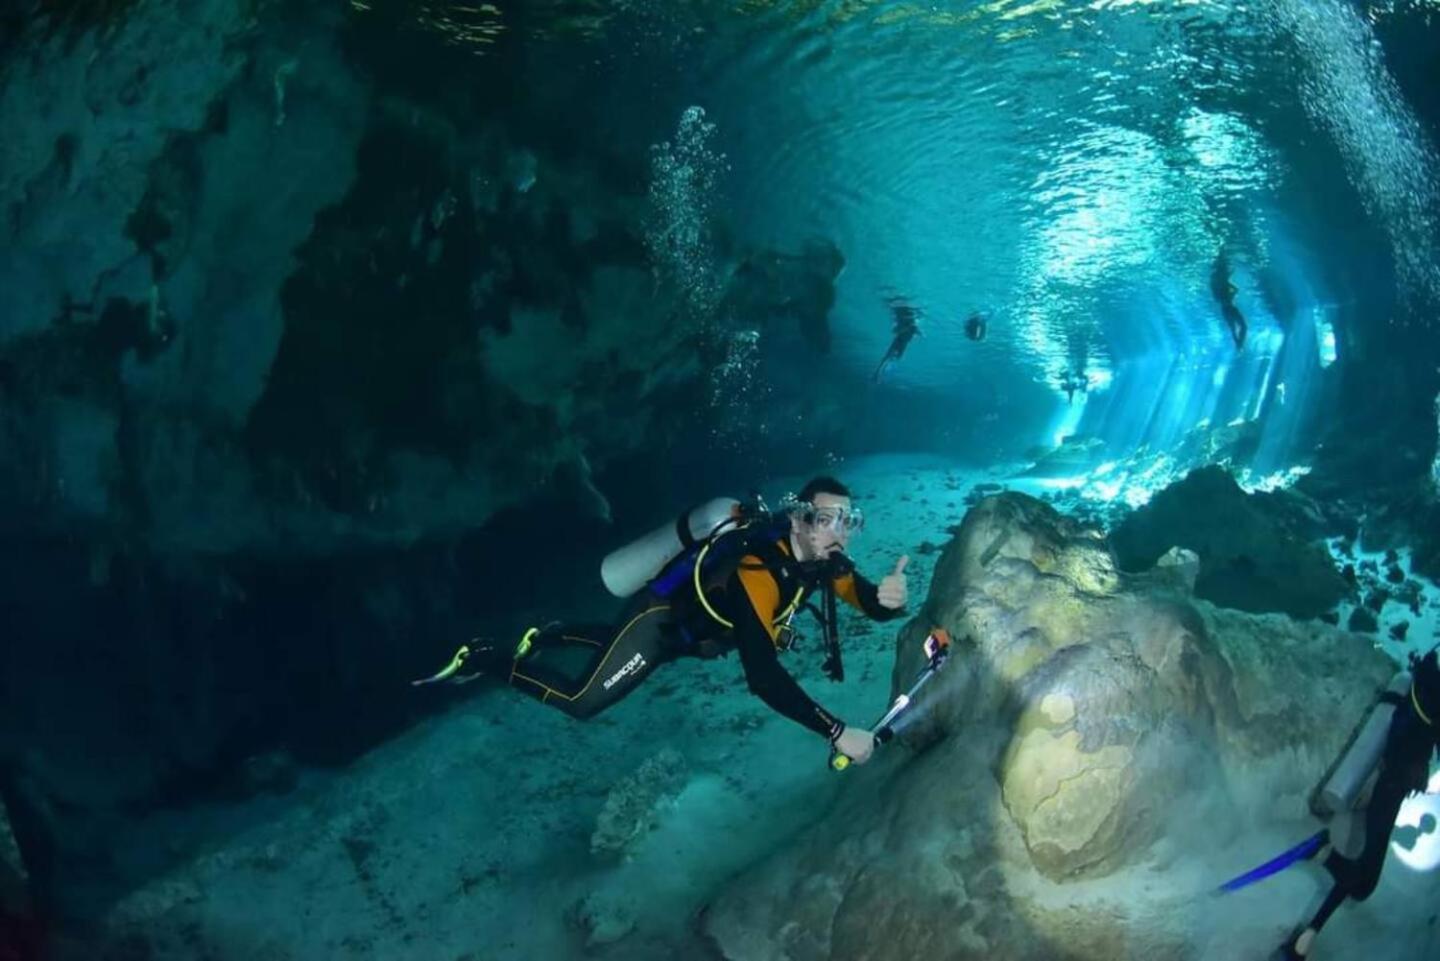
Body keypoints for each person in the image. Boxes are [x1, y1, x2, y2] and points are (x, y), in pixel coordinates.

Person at [417, 477, 909, 765]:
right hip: (658, 625)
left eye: (848, 521)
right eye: (826, 520)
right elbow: (762, 676)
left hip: (692, 640)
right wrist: (836, 731)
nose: (839, 533)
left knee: (616, 649)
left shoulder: (826, 562)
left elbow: (867, 601)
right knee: (581, 701)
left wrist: (890, 601)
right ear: (799, 520)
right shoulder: (758, 571)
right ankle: (483, 656)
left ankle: (547, 634)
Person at [1274, 650, 1440, 959]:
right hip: (1393, 783)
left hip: (1393, 777)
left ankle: (1303, 942)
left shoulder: (1431, 670)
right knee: (1363, 885)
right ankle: (1322, 851)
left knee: (1363, 870)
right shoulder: (1435, 686)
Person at [874, 300, 922, 382]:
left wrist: (916, 332)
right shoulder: (908, 324)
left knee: (896, 356)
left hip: (903, 341)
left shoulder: (912, 325)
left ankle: (881, 372)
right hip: (899, 340)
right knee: (889, 356)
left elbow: (918, 333)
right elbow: (895, 331)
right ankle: (878, 373)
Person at [1210, 251, 1248, 350]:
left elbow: (1234, 290)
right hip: (1230, 308)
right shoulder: (1221, 286)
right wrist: (1230, 291)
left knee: (1235, 328)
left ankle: (1239, 346)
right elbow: (1235, 290)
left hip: (1228, 308)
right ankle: (1239, 346)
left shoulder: (1219, 285)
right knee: (1239, 327)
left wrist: (1229, 287)